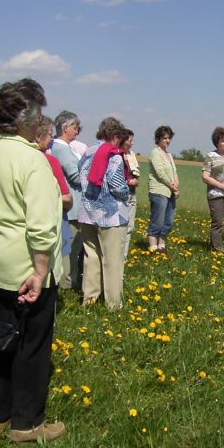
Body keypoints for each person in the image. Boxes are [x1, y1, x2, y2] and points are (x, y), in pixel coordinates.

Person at [0, 78, 66, 442]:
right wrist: (40, 270)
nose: (42, 119)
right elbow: (41, 225)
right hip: (25, 271)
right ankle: (27, 425)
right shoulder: (32, 160)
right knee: (31, 347)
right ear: (26, 115)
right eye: (39, 111)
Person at [77, 117, 130, 310]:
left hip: (87, 212)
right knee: (112, 260)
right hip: (111, 216)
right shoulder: (113, 155)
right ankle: (113, 304)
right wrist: (127, 192)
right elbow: (117, 185)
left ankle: (90, 300)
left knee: (91, 257)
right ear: (115, 136)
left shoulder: (87, 153)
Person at [50, 111, 83, 290]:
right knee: (69, 248)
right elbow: (75, 175)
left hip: (74, 205)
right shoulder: (61, 149)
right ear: (65, 128)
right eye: (74, 128)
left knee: (73, 248)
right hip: (71, 207)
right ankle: (66, 283)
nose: (77, 131)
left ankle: (70, 280)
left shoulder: (65, 148)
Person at [147, 125, 179, 253]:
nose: (167, 140)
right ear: (158, 139)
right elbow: (160, 173)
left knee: (168, 221)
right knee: (158, 221)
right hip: (159, 191)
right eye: (165, 138)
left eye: (169, 138)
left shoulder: (168, 155)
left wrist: (176, 187)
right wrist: (173, 186)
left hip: (170, 191)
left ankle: (161, 246)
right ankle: (153, 248)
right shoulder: (155, 153)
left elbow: (174, 172)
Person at [35, 115, 73, 213]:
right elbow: (65, 198)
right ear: (38, 137)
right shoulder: (49, 160)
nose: (52, 139)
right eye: (50, 134)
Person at [120, 128, 140, 257]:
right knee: (120, 227)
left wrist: (135, 180)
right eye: (129, 140)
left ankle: (124, 255)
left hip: (132, 194)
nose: (132, 143)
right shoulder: (117, 154)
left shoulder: (132, 155)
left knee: (129, 226)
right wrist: (128, 181)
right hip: (121, 195)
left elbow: (136, 172)